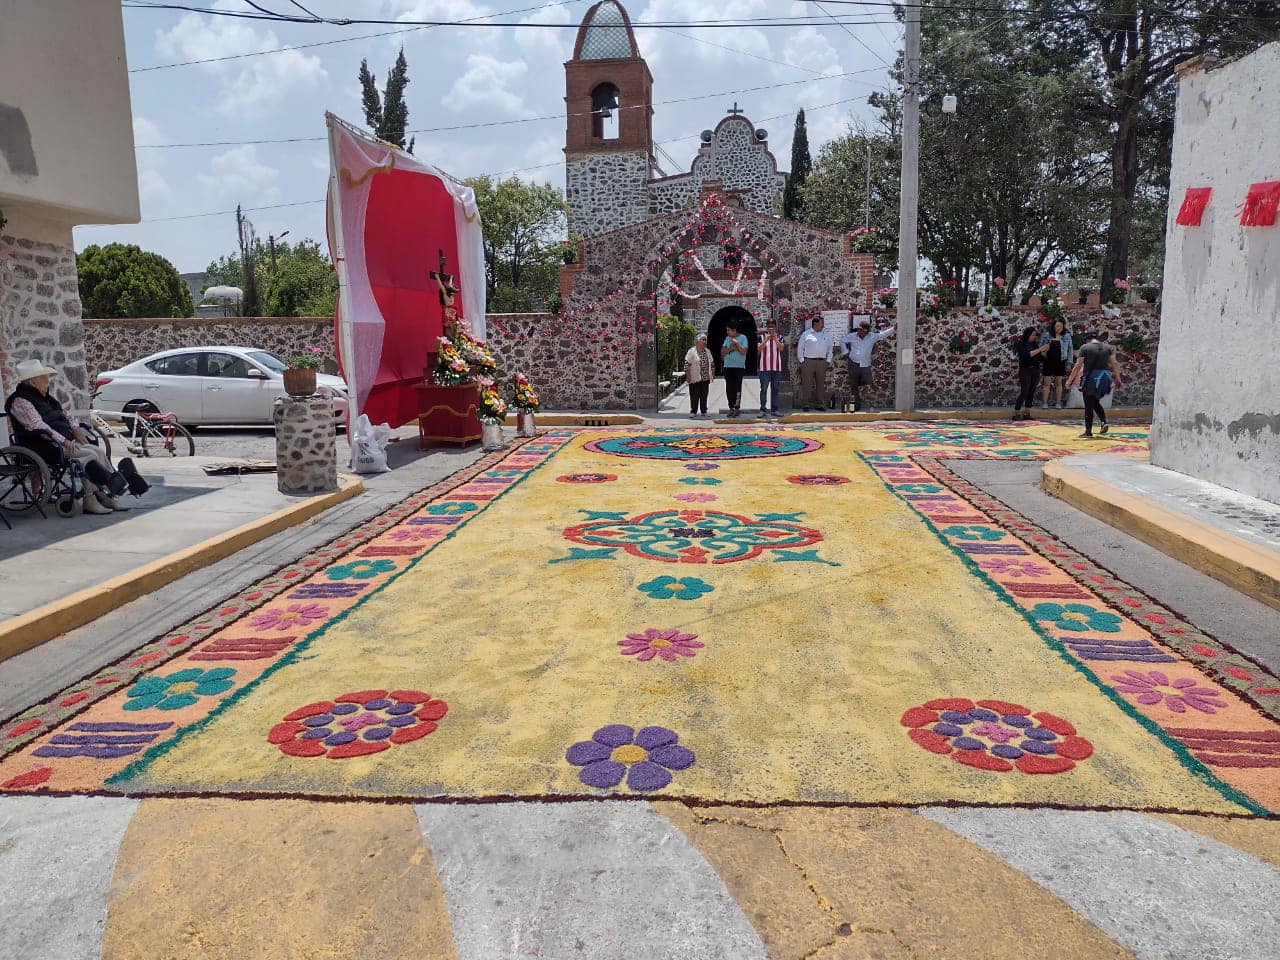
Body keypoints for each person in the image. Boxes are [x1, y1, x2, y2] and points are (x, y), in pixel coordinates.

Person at [4, 358, 145, 513]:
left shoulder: (46, 398)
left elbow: (66, 414)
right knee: (88, 455)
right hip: (42, 446)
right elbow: (38, 427)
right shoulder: (20, 401)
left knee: (97, 451)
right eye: (43, 378)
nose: (47, 381)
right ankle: (91, 499)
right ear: (32, 382)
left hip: (59, 442)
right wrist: (64, 441)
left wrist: (75, 428)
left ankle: (108, 493)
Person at [1064, 332, 1123, 438]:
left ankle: (1088, 431)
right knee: (1094, 401)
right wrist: (1118, 379)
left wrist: (1069, 381)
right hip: (1105, 379)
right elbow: (1114, 363)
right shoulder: (1107, 348)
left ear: (1087, 340)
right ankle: (1103, 422)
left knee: (1089, 404)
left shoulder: (1085, 348)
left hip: (1091, 379)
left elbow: (1077, 366)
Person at [839, 316, 895, 412]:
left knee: (868, 380)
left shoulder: (872, 336)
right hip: (853, 363)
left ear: (866, 331)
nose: (858, 331)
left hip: (865, 364)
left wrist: (894, 328)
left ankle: (860, 384)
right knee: (853, 385)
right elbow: (842, 341)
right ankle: (856, 404)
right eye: (858, 329)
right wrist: (845, 352)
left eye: (860, 330)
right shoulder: (852, 336)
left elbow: (883, 334)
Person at [795, 315, 833, 412]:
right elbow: (800, 348)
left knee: (820, 383)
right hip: (808, 361)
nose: (823, 325)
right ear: (815, 323)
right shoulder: (806, 334)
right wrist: (802, 360)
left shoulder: (826, 334)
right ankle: (806, 404)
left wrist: (828, 361)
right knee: (807, 383)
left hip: (822, 362)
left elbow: (830, 348)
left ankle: (819, 403)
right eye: (821, 323)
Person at [1013, 326, 1048, 420]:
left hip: (1035, 370)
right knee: (1024, 391)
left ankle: (1027, 413)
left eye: (1035, 335)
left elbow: (1040, 358)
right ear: (1027, 335)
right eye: (1032, 335)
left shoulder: (1035, 344)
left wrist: (1044, 353)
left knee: (1031, 391)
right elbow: (1026, 356)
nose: (1034, 337)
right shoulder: (1021, 344)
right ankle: (1016, 412)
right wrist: (1040, 350)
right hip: (1025, 370)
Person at [1038, 317, 1073, 408]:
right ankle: (1045, 403)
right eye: (1057, 326)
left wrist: (1069, 362)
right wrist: (1043, 353)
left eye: (1060, 326)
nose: (1058, 328)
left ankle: (1058, 403)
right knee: (1046, 383)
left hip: (1060, 362)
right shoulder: (1046, 335)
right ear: (1053, 326)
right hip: (1048, 362)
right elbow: (1040, 347)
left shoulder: (1066, 336)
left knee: (1058, 383)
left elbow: (1070, 350)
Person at [720, 320, 748, 417]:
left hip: (739, 367)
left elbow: (743, 351)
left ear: (734, 330)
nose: (727, 332)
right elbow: (722, 352)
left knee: (737, 388)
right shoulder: (727, 339)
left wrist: (736, 343)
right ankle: (730, 407)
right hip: (728, 366)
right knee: (729, 388)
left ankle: (737, 407)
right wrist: (731, 348)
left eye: (729, 330)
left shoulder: (743, 338)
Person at [683, 333, 715, 419]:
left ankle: (704, 411)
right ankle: (693, 411)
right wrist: (688, 376)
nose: (705, 341)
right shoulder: (691, 351)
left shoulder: (707, 351)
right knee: (694, 395)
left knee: (704, 395)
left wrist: (712, 373)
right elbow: (687, 364)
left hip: (705, 377)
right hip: (694, 377)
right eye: (703, 339)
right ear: (697, 341)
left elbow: (711, 363)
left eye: (705, 340)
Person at [757, 319, 783, 417]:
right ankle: (763, 409)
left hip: (776, 368)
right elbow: (759, 349)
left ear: (775, 327)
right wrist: (767, 339)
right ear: (767, 327)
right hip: (764, 368)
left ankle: (774, 410)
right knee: (764, 388)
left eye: (773, 326)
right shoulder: (761, 337)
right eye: (769, 326)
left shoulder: (779, 337)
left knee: (775, 389)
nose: (771, 328)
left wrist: (775, 339)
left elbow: (781, 348)